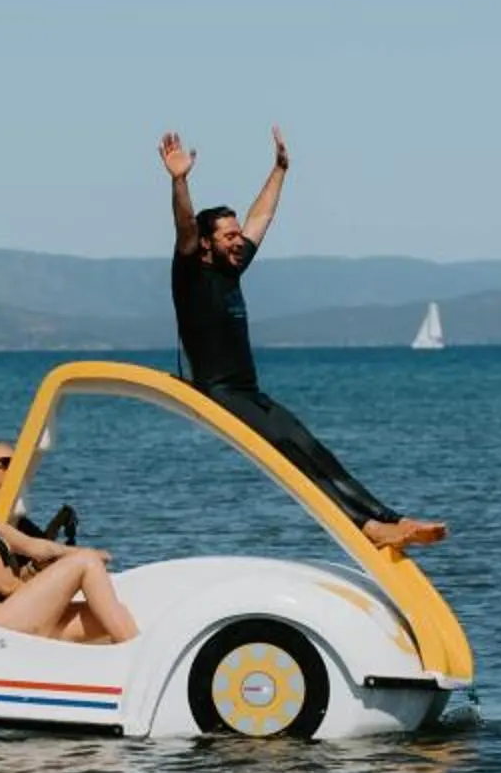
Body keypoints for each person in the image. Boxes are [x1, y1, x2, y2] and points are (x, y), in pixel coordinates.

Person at [159, 128, 446, 551]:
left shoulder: (230, 267)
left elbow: (261, 218)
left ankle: (389, 519)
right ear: (206, 244)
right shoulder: (191, 273)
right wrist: (179, 180)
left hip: (249, 392)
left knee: (311, 447)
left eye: (237, 235)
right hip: (218, 393)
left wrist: (279, 171)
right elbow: (184, 225)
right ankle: (365, 528)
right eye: (228, 236)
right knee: (291, 457)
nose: (239, 241)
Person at [0, 443, 138, 644]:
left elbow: (36, 547)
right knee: (85, 562)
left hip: (15, 612)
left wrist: (81, 552)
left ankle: (127, 656)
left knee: (108, 617)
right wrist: (55, 590)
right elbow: (7, 585)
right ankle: (136, 655)